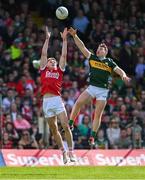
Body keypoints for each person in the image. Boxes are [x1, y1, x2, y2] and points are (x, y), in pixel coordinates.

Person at [68, 27, 131, 146]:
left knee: (97, 115)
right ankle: (71, 123)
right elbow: (82, 47)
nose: (100, 49)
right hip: (92, 87)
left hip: (103, 90)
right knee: (78, 103)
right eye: (99, 48)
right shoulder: (92, 58)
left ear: (106, 52)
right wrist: (75, 36)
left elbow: (119, 70)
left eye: (103, 48)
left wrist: (123, 76)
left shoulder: (109, 62)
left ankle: (92, 136)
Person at [40, 26, 75, 164]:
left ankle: (71, 152)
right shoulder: (43, 70)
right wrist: (47, 39)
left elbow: (64, 55)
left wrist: (65, 40)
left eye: (53, 60)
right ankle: (63, 153)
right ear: (46, 63)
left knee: (65, 126)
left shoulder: (59, 71)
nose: (52, 61)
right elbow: (43, 54)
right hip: (46, 102)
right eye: (50, 60)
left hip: (56, 100)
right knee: (54, 130)